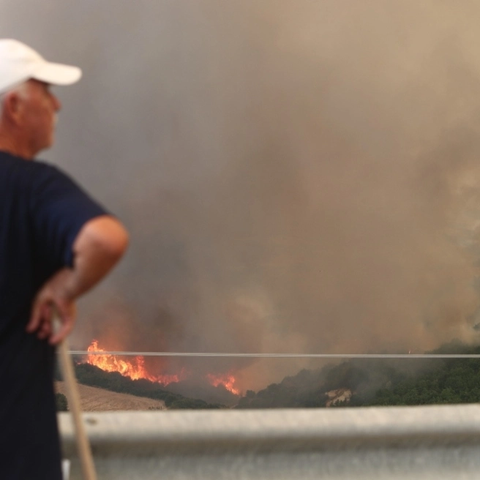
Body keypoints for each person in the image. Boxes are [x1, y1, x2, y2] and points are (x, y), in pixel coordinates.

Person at [0, 39, 129, 479]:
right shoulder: (32, 187)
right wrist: (66, 286)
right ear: (14, 107)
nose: (57, 104)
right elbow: (104, 240)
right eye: (45, 91)